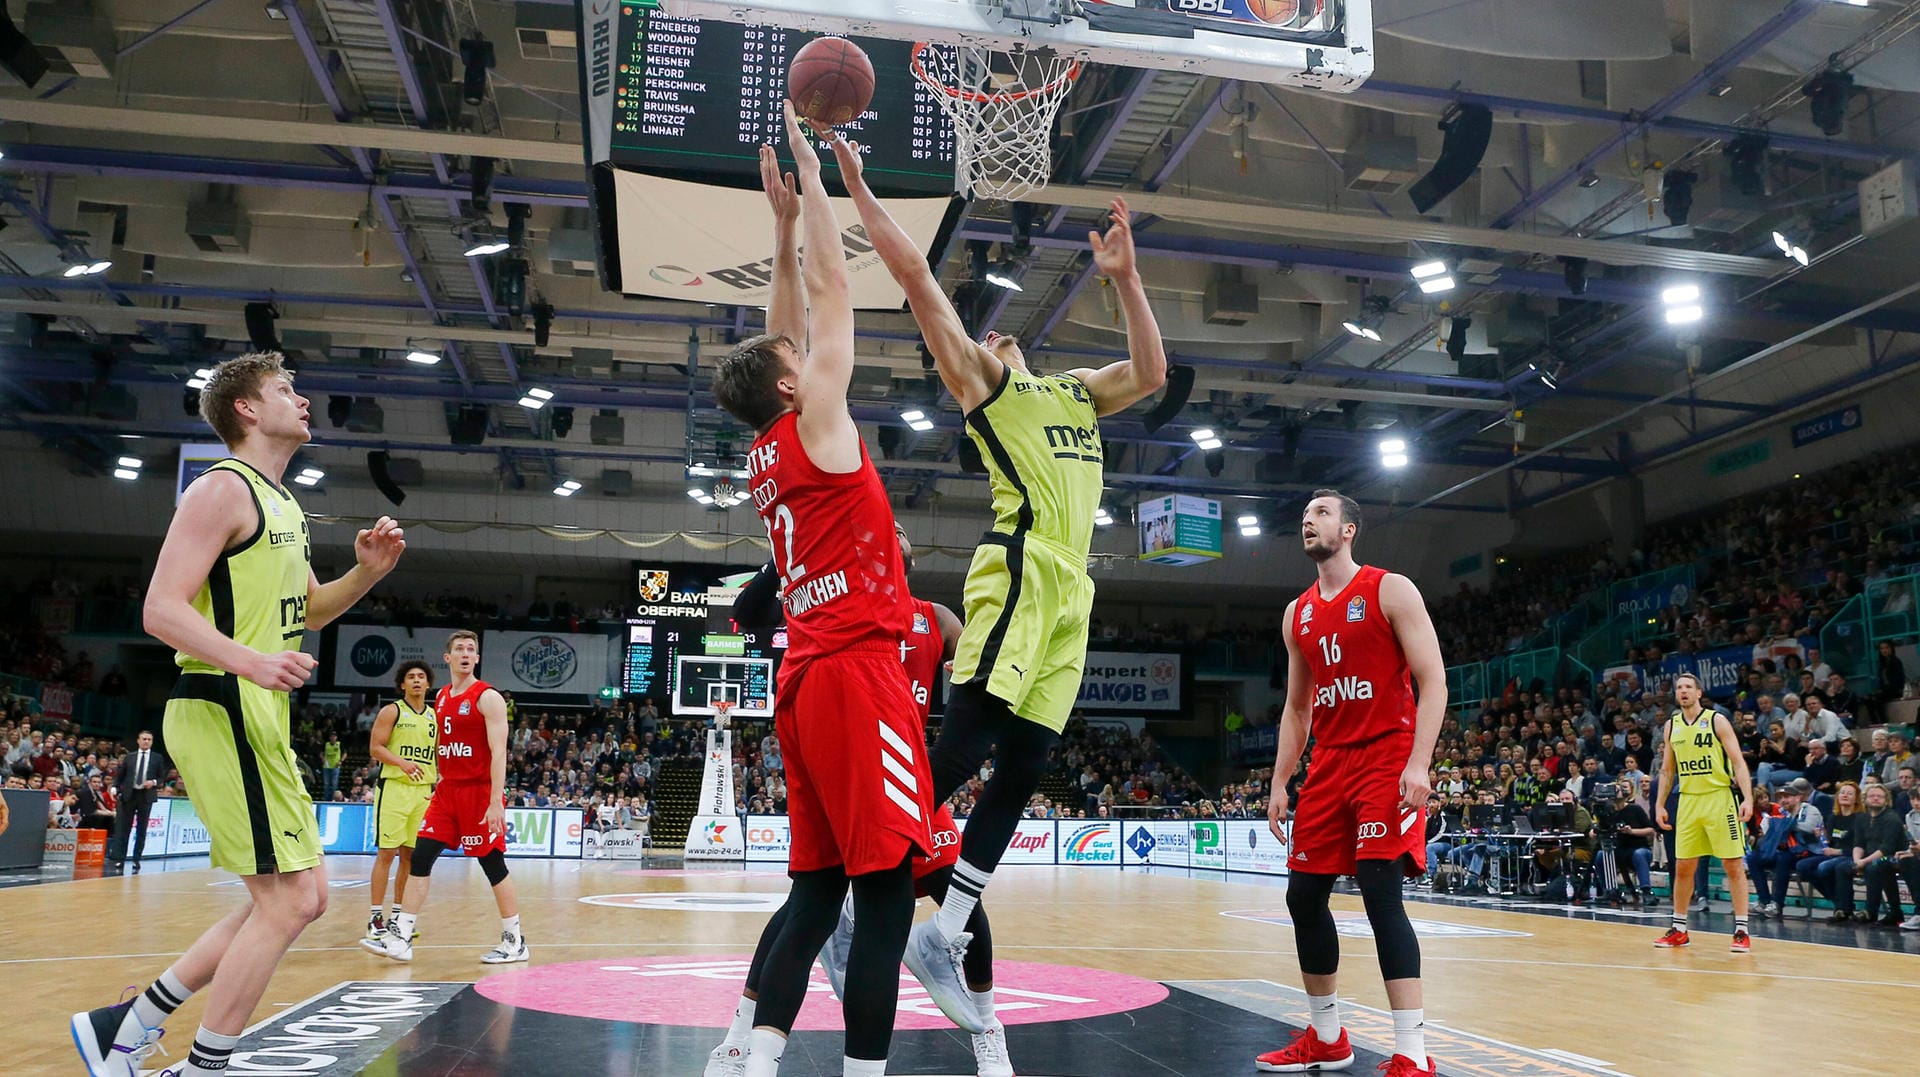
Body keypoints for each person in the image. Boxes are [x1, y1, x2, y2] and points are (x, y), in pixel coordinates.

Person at [827, 127, 1166, 1034]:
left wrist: (1127, 280)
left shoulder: (1076, 390)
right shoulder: (989, 387)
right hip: (1017, 569)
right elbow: (918, 286)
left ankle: (950, 927)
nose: (996, 332)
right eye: (985, 334)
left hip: (1075, 591)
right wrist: (862, 187)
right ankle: (853, 904)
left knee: (1027, 764)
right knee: (965, 742)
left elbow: (1154, 371)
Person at [71, 351, 405, 1077]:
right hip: (221, 700)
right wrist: (249, 661)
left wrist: (365, 574)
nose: (304, 399)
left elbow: (308, 610)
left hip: (255, 708)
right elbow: (159, 609)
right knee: (286, 903)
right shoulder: (221, 490)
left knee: (302, 897)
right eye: (287, 389)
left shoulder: (281, 500)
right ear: (247, 409)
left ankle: (127, 1024)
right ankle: (201, 1066)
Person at [707, 106, 936, 1077]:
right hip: (858, 674)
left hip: (801, 684)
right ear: (796, 391)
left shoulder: (769, 445)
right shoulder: (818, 423)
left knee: (814, 891)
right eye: (804, 366)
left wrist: (782, 225)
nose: (811, 356)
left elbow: (782, 333)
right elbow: (834, 293)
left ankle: (757, 1059)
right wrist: (819, 175)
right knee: (883, 900)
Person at [709, 524, 1009, 1077]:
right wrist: (783, 558)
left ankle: (991, 1034)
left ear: (907, 562)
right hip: (846, 763)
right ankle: (736, 1040)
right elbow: (751, 613)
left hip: (907, 777)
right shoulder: (833, 605)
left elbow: (979, 683)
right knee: (807, 911)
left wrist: (971, 675)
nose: (890, 532)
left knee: (964, 905)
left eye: (900, 535)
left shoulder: (935, 619)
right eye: (882, 531)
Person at [1256, 490, 1445, 1077]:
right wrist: (1281, 780)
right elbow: (1296, 707)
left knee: (1378, 890)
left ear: (1350, 529)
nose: (1308, 522)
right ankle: (1328, 1037)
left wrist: (1419, 763)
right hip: (1329, 764)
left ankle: (1412, 1052)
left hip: (1386, 756)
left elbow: (1433, 680)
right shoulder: (1298, 613)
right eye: (1305, 516)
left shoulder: (1391, 589)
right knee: (1302, 896)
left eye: (1321, 514)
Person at [376, 631, 526, 964]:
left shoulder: (488, 698)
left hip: (478, 792)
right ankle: (402, 936)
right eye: (459, 649)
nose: (465, 653)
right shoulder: (442, 697)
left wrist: (495, 800)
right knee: (421, 857)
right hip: (447, 791)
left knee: (492, 864)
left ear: (477, 659)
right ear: (447, 658)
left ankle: (514, 940)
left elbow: (499, 752)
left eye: (471, 649)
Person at [1653, 673, 1755, 953]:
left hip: (1719, 798)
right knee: (1684, 867)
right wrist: (1660, 804)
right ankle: (1679, 929)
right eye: (1679, 688)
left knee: (1733, 864)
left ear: (1699, 693)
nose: (1683, 691)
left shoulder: (1716, 720)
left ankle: (1742, 930)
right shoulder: (1672, 725)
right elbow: (1668, 768)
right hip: (1687, 801)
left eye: (1688, 687)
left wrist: (1747, 798)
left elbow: (1737, 760)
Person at [358, 659, 437, 952]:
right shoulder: (392, 710)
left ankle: (399, 917)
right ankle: (375, 917)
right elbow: (375, 747)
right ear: (402, 684)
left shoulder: (434, 717)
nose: (416, 681)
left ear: (428, 684)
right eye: (411, 677)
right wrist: (402, 763)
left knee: (411, 857)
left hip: (422, 792)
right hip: (394, 788)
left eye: (421, 677)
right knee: (386, 853)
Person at [1747, 778, 1823, 917]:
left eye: (1787, 797)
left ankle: (1777, 903)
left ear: (1798, 797)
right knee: (1754, 858)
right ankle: (1764, 900)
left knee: (1783, 858)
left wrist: (1786, 824)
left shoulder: (1810, 810)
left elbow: (1810, 827)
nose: (1783, 800)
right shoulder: (1782, 813)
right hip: (1787, 851)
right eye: (1780, 798)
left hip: (1807, 852)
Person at [1795, 781, 1861, 923]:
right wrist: (1822, 835)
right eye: (1842, 793)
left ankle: (1842, 907)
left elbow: (1861, 846)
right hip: (1833, 854)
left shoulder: (1860, 819)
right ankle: (1840, 902)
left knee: (1825, 867)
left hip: (1851, 855)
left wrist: (1837, 851)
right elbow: (1830, 841)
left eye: (1850, 794)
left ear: (1856, 799)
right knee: (1803, 866)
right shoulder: (1833, 817)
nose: (1845, 795)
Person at [109, 730, 168, 871]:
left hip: (145, 796)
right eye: (144, 739)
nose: (146, 741)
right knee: (124, 829)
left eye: (149, 739)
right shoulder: (130, 757)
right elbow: (120, 775)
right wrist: (115, 788)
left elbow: (162, 778)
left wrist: (153, 782)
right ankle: (120, 859)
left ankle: (136, 859)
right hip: (129, 795)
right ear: (138, 740)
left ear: (152, 742)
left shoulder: (157, 758)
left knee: (141, 829)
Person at [1853, 782, 1907, 927]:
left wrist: (1864, 862)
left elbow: (1886, 848)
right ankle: (1843, 909)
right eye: (1872, 796)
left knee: (1874, 866)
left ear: (1886, 800)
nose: (1875, 798)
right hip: (1868, 857)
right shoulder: (1862, 818)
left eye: (1879, 796)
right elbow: (1858, 843)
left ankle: (1871, 911)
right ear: (1865, 799)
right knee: (1841, 867)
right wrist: (1857, 861)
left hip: (1892, 857)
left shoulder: (1892, 818)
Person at [321, 731, 342, 799]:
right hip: (327, 766)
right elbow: (321, 753)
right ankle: (326, 799)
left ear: (336, 737)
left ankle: (334, 799)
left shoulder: (339, 744)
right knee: (326, 784)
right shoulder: (326, 744)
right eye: (332, 736)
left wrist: (341, 761)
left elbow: (345, 753)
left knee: (334, 784)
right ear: (330, 737)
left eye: (334, 736)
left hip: (336, 766)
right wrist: (323, 758)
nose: (333, 738)